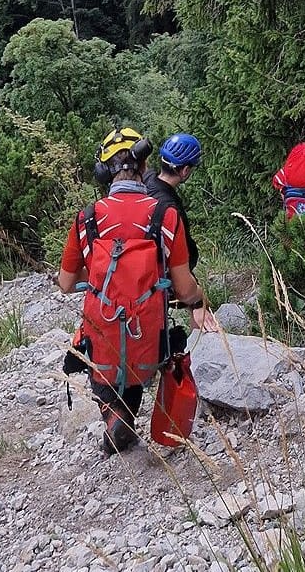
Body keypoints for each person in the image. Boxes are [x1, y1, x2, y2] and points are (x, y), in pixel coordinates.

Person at [57, 127, 220, 454]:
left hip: (103, 333)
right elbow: (184, 286)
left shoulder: (87, 218)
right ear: (145, 168)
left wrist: (105, 274)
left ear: (104, 172)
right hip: (149, 337)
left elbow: (65, 283)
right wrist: (198, 301)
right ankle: (143, 414)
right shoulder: (165, 214)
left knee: (103, 351)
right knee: (149, 347)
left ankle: (114, 413)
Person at [144, 132, 202, 273]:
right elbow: (186, 254)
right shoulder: (172, 208)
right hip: (163, 276)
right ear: (185, 170)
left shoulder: (147, 178)